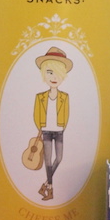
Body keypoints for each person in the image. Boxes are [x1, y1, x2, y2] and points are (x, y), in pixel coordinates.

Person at [32, 47, 71, 202]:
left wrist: (62, 127)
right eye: (50, 72)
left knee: (59, 158)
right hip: (46, 131)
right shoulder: (40, 97)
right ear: (44, 74)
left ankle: (45, 184)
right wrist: (41, 127)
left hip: (59, 131)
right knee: (47, 160)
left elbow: (66, 114)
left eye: (58, 73)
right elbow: (36, 114)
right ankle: (50, 189)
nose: (54, 77)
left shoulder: (64, 97)